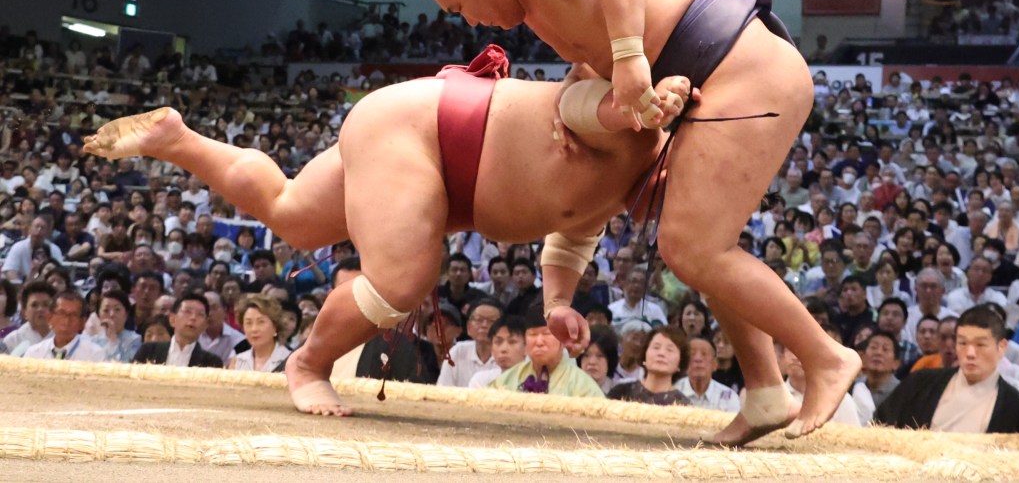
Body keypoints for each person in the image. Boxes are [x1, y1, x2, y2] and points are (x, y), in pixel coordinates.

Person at [411, 0, 865, 442]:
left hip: (741, 68)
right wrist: (577, 96)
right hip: (711, 80)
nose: (471, 23)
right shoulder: (535, 4)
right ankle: (766, 391)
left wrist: (629, 58)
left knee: (693, 247)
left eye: (460, 8)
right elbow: (591, 61)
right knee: (695, 244)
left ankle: (825, 357)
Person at [83, 49, 688, 416]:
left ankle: (178, 140)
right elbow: (587, 87)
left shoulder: (617, 190)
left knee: (291, 211)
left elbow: (570, 239)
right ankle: (309, 365)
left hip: (414, 122)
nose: (658, 214)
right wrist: (641, 99)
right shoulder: (632, 129)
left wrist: (557, 303)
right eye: (673, 196)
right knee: (404, 276)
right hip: (429, 134)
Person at [875, 306, 1019, 433]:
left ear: (1001, 347)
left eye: (980, 344)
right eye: (962, 343)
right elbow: (880, 427)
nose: (970, 353)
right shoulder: (920, 382)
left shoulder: (1016, 407)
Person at [489, 305, 604, 398]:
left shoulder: (582, 385)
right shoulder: (508, 378)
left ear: (563, 340)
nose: (539, 342)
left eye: (546, 334)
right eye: (532, 334)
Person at [131, 292, 223, 368]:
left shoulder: (212, 362)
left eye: (200, 314)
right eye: (187, 311)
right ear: (172, 319)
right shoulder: (148, 351)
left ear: (205, 325)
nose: (193, 318)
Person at [608, 326, 690, 406]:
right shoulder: (620, 392)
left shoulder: (683, 406)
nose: (661, 353)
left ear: (680, 362)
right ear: (644, 355)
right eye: (656, 347)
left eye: (669, 350)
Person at [23, 291, 106, 362]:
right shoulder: (34, 353)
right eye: (61, 313)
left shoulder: (95, 355)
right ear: (49, 318)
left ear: (82, 322)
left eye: (73, 315)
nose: (67, 320)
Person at [437, 297, 502, 387]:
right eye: (479, 319)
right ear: (468, 327)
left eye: (491, 321)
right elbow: (443, 389)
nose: (484, 325)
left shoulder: (508, 355)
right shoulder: (457, 351)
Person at [676, 335, 742, 412]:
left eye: (704, 354)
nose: (698, 359)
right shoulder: (671, 392)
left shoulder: (730, 397)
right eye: (692, 354)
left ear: (715, 364)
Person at [850, 331, 902, 425]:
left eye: (885, 349)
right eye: (873, 347)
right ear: (863, 358)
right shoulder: (851, 387)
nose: (878, 353)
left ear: (896, 363)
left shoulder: (901, 392)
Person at [230, 295, 291, 372]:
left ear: (275, 326)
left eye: (261, 322)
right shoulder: (237, 361)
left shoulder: (290, 360)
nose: (254, 329)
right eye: (248, 323)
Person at [468, 314, 527, 389]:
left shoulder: (537, 380)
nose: (503, 349)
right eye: (498, 342)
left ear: (527, 347)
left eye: (512, 342)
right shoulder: (481, 380)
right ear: (491, 349)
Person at [0, 281, 55, 356]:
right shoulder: (12, 340)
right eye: (34, 305)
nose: (40, 309)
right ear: (24, 312)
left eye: (45, 304)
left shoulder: (63, 336)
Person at [88, 289, 142, 363]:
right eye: (106, 310)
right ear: (98, 316)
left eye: (117, 309)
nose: (112, 314)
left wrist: (113, 341)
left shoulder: (136, 340)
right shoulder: (92, 342)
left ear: (126, 314)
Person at [576, 325, 619, 395]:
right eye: (586, 355)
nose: (592, 362)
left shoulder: (619, 392)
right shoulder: (570, 390)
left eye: (600, 356)